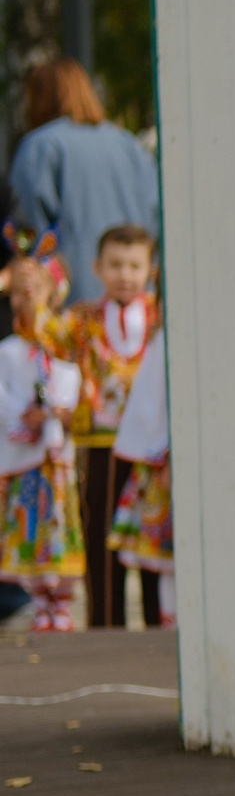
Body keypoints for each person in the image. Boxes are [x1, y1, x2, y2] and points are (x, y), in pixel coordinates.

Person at [65, 224, 159, 626]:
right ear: (98, 268)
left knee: (152, 533)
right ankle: (104, 624)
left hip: (152, 447)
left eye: (134, 265)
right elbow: (46, 335)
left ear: (150, 270)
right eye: (116, 265)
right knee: (100, 535)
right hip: (102, 444)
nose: (125, 274)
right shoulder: (83, 319)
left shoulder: (160, 318)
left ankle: (160, 622)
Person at [10, 59, 159, 307]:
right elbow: (155, 221)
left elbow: (27, 235)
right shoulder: (129, 145)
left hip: (73, 310)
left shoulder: (41, 147)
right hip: (136, 307)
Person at [1, 248, 89, 631]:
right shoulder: (7, 350)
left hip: (57, 457)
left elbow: (76, 381)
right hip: (24, 453)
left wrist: (54, 409)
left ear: (55, 292)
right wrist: (23, 413)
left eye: (35, 289)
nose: (27, 299)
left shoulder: (65, 342)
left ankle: (64, 602)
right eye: (19, 292)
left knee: (62, 526)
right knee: (27, 528)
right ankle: (40, 602)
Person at [107, 326, 174, 626]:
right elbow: (150, 405)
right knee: (166, 563)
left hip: (168, 454)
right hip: (163, 460)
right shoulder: (164, 338)